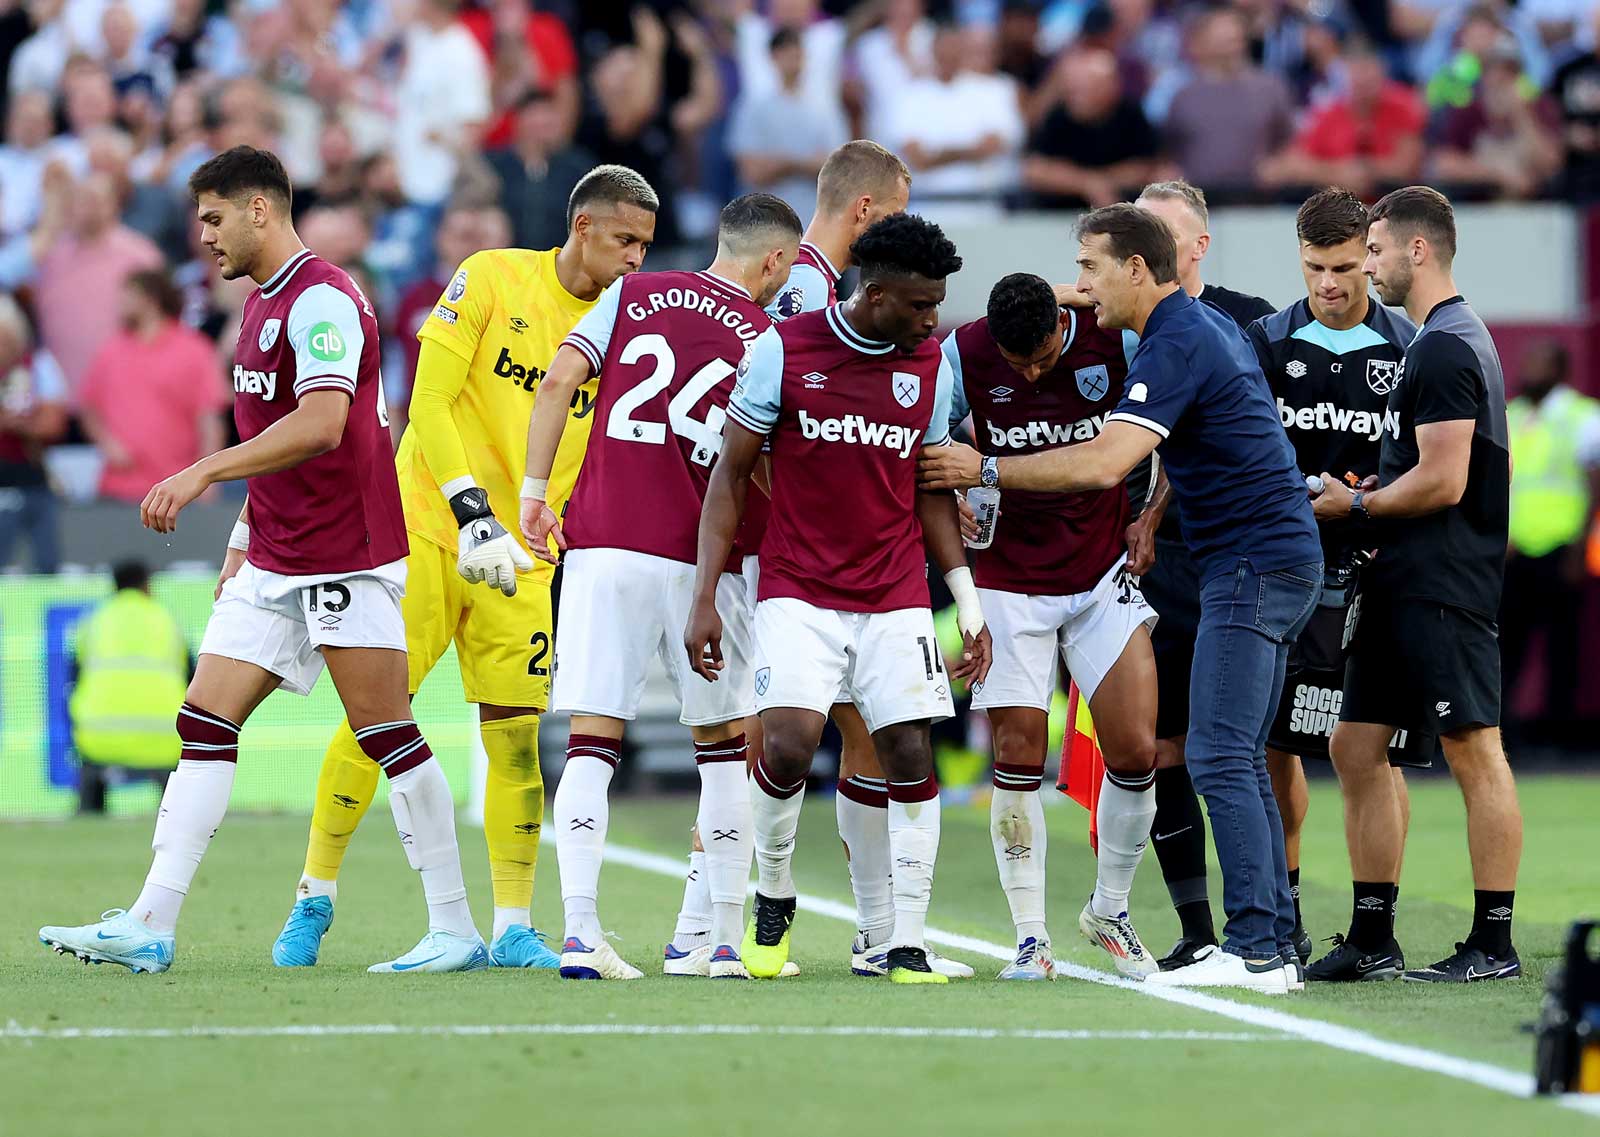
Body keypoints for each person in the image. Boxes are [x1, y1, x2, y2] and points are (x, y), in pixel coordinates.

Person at [39, 145, 484, 975]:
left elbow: (320, 422)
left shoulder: (324, 300)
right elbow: (283, 441)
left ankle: (454, 927)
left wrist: (203, 468)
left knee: (386, 732)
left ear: (259, 210)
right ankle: (150, 921)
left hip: (343, 555)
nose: (203, 237)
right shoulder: (260, 304)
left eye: (213, 218)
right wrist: (244, 535)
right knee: (204, 719)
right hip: (276, 554)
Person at [921, 203, 1321, 993]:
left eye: (1092, 268)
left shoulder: (1168, 342)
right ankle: (1273, 941)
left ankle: (1253, 950)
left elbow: (1108, 461)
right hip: (1259, 559)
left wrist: (987, 470)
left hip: (1245, 563)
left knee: (1209, 754)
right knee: (1232, 754)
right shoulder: (1188, 328)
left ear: (1137, 269)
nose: (1082, 285)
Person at [268, 165, 659, 971]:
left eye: (646, 247)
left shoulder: (629, 331)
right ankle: (315, 893)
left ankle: (513, 923)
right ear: (582, 225)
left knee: (514, 737)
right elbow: (432, 401)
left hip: (526, 554)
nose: (634, 262)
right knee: (380, 714)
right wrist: (472, 509)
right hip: (425, 531)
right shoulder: (491, 276)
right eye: (624, 240)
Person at [687, 213, 992, 985]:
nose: (932, 321)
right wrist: (704, 599)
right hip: (799, 587)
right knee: (787, 744)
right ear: (876, 290)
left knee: (911, 752)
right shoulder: (783, 352)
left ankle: (906, 941)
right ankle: (774, 890)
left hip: (893, 592)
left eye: (937, 305)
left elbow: (927, 493)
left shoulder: (928, 366)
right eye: (920, 305)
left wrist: (967, 598)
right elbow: (729, 476)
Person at [518, 193, 802, 981]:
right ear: (775, 261)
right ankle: (712, 942)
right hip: (703, 559)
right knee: (720, 745)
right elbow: (767, 465)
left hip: (604, 540)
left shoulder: (634, 293)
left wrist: (534, 494)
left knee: (591, 736)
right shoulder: (770, 337)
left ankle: (578, 934)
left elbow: (557, 381)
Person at [1311, 186, 1523, 983]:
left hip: (1442, 580)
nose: (1367, 268)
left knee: (1475, 747)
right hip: (1402, 579)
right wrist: (1372, 492)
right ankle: (1373, 938)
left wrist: (1355, 501)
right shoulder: (1448, 339)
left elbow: (1442, 480)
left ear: (1417, 250)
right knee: (1355, 743)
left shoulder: (1441, 346)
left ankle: (1494, 943)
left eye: (1373, 252)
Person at [943, 272, 1160, 980]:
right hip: (1009, 583)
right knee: (1017, 752)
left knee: (1134, 748)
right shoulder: (966, 352)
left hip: (1100, 574)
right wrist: (954, 498)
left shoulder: (1113, 338)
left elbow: (1182, 424)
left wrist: (1149, 513)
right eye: (1018, 364)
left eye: (1040, 356)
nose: (1032, 373)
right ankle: (1031, 939)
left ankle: (1110, 908)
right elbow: (921, 440)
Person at [1246, 187, 1432, 975]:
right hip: (1290, 572)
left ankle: (1372, 926)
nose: (1330, 283)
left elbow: (1434, 461)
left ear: (1373, 254)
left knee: (1372, 757)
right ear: (1299, 256)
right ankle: (1284, 912)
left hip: (1379, 575)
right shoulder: (1266, 341)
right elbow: (1247, 452)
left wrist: (1366, 502)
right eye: (1316, 266)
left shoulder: (1411, 344)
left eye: (1347, 267)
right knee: (1272, 749)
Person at [1130, 180, 1275, 971]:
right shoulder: (1121, 317)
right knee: (1159, 748)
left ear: (1199, 245)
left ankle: (1268, 922)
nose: (1148, 243)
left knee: (1244, 747)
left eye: (1163, 231)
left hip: (1219, 552)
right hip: (1146, 561)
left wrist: (1150, 513)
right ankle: (1197, 924)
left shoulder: (1243, 320)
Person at [1501, 341, 1600, 748]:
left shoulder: (1582, 415)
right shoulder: (1515, 413)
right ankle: (1502, 733)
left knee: (1563, 647)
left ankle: (1562, 737)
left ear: (1559, 368)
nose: (1529, 370)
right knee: (1507, 647)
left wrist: (1582, 547)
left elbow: (1594, 486)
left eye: (1539, 362)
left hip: (1562, 549)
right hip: (1515, 550)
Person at [78, 268, 227, 504]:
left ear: (151, 299)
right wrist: (106, 442)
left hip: (175, 488)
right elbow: (88, 407)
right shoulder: (110, 351)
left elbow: (209, 419)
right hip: (118, 488)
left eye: (128, 294)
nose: (119, 302)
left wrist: (208, 479)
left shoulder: (195, 350)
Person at [69, 560, 190, 814]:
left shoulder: (94, 622)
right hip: (164, 738)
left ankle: (87, 817)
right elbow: (193, 678)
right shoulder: (166, 620)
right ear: (147, 585)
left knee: (90, 775)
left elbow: (74, 679)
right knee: (179, 803)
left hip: (99, 740)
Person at [727, 28, 849, 222]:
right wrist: (804, 163)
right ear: (773, 57)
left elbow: (837, 169)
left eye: (796, 53)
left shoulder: (825, 108)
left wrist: (784, 163)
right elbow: (751, 171)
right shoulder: (752, 107)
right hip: (764, 221)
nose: (792, 60)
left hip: (812, 219)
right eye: (786, 53)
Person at [0, 296, 67, 573]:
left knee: (45, 559)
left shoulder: (39, 365)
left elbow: (53, 423)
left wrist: (19, 425)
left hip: (29, 473)